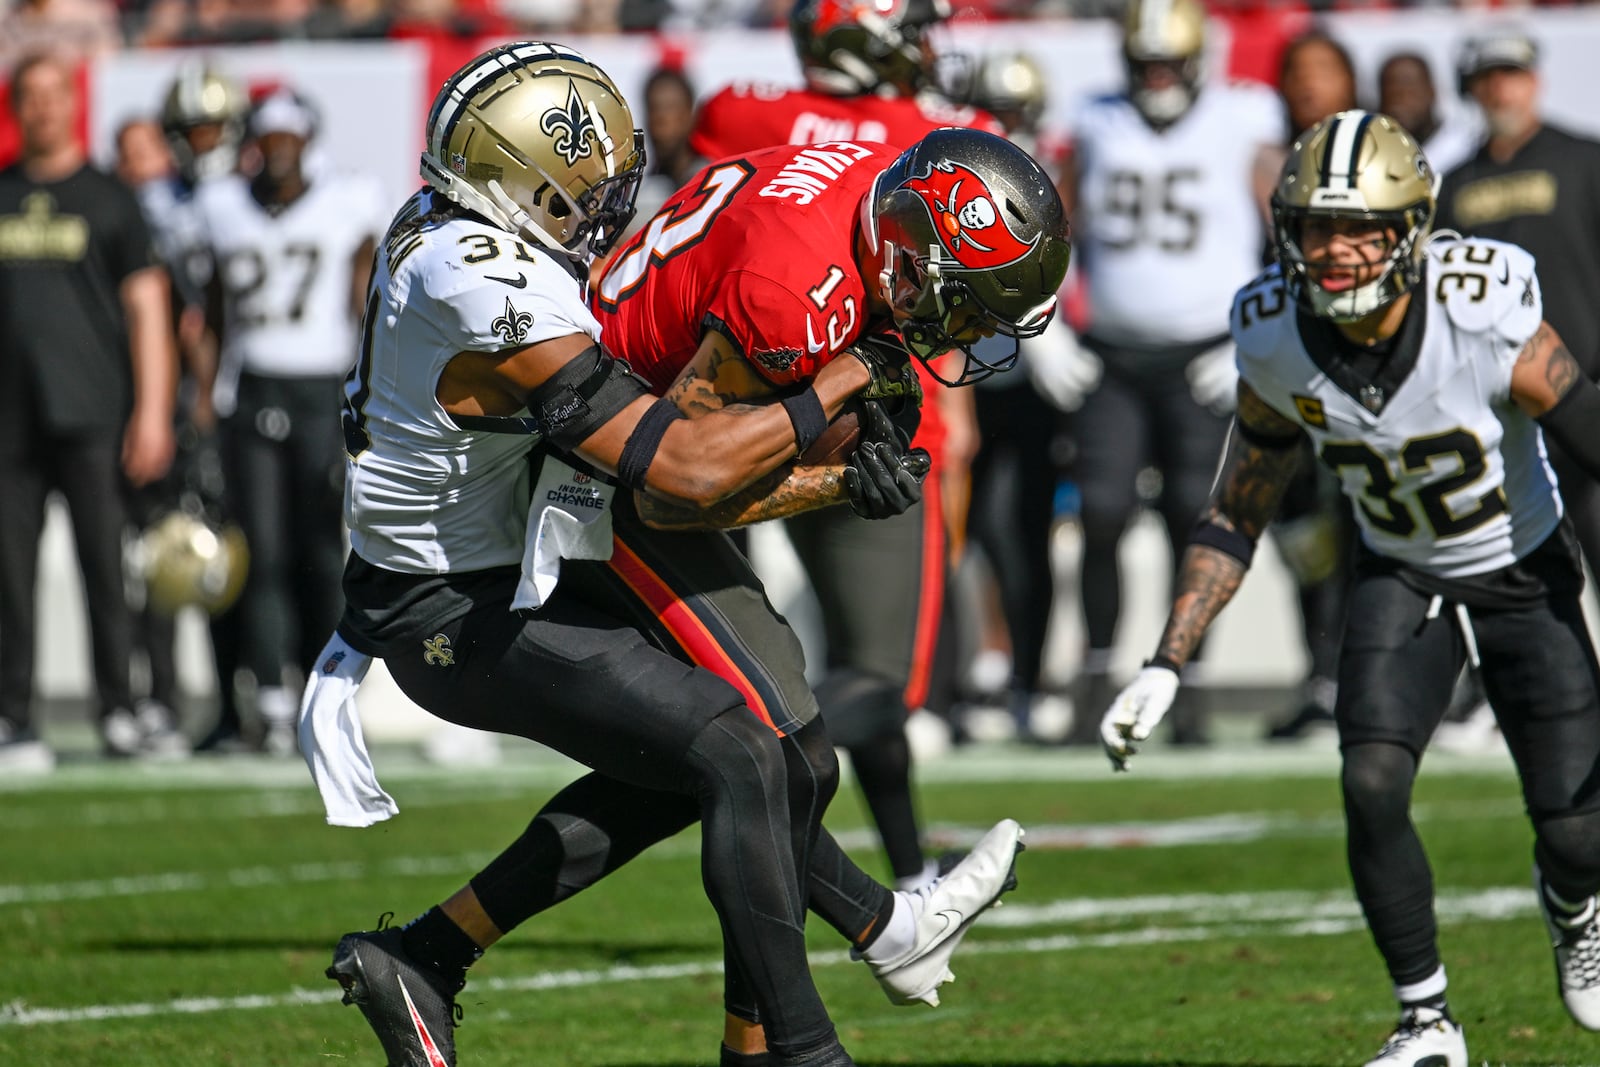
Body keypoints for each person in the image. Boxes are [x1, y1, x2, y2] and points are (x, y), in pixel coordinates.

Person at [313, 44, 1036, 1067]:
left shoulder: (458, 234)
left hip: (506, 546)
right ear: (517, 180)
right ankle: (807, 1042)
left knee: (745, 761)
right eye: (585, 189)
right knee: (750, 754)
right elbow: (677, 477)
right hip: (452, 596)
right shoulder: (484, 282)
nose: (609, 208)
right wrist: (840, 388)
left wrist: (841, 428)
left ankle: (423, 957)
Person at [1100, 110, 1600, 1067]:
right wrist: (1167, 660)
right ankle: (1427, 1024)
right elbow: (1239, 503)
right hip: (1397, 567)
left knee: (1578, 829)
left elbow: (1583, 421)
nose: (1333, 250)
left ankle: (1575, 901)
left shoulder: (1480, 303)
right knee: (1370, 778)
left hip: (1518, 563)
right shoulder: (1274, 332)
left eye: (1358, 227)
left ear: (1411, 228)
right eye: (1315, 226)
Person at [685, 0, 1004, 888]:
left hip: (731, 406)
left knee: (842, 670)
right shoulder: (938, 134)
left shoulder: (744, 110)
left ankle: (908, 867)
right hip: (876, 421)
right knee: (876, 676)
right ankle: (757, 756)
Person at [1060, 0, 1282, 745]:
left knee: (1199, 512)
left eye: (1169, 64)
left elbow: (1287, 230)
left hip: (1206, 352)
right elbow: (1048, 225)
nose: (1157, 78)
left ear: (1196, 62)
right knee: (1100, 512)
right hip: (1113, 355)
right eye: (1145, 64)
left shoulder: (1244, 117)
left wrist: (1257, 336)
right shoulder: (1094, 118)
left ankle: (1190, 679)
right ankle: (1095, 671)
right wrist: (1043, 326)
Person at [0, 54, 177, 771]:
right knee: (8, 577)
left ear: (72, 102)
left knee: (105, 570)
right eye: (28, 97)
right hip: (10, 423)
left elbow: (148, 309)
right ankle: (13, 716)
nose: (42, 108)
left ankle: (120, 709)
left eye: (53, 95)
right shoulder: (3, 192)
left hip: (96, 415)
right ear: (14, 107)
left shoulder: (110, 198)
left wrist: (154, 412)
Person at [195, 87, 383, 756]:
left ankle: (323, 690)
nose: (276, 149)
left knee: (318, 550)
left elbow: (365, 302)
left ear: (307, 140)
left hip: (321, 386)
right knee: (262, 550)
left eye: (287, 137)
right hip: (250, 386)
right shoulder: (220, 207)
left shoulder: (346, 203)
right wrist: (202, 392)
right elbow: (213, 311)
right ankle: (272, 698)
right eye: (266, 137)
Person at [1434, 29, 1600, 753]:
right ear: (1470, 87)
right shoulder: (1455, 183)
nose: (1503, 89)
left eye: (1513, 74)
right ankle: (1501, 699)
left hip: (1581, 393)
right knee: (1506, 563)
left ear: (1534, 79)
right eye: (1489, 77)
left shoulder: (1586, 161)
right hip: (1497, 416)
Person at [140, 61, 252, 753]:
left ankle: (269, 694)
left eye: (209, 128)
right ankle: (204, 701)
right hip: (177, 396)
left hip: (248, 391)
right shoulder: (155, 202)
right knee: (187, 553)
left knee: (254, 554)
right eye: (187, 130)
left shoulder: (250, 198)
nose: (199, 143)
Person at [1259, 27, 1362, 744]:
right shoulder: (1266, 154)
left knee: (1364, 526)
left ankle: (1367, 673)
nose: (1308, 83)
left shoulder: (1375, 150)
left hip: (1364, 363)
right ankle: (1320, 673)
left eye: (1322, 69)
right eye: (1297, 70)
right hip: (1296, 364)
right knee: (1302, 531)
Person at [1376, 52, 1478, 178]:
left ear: (1432, 91)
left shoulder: (1465, 152)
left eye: (1409, 86)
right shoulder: (1373, 160)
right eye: (1390, 90)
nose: (1400, 98)